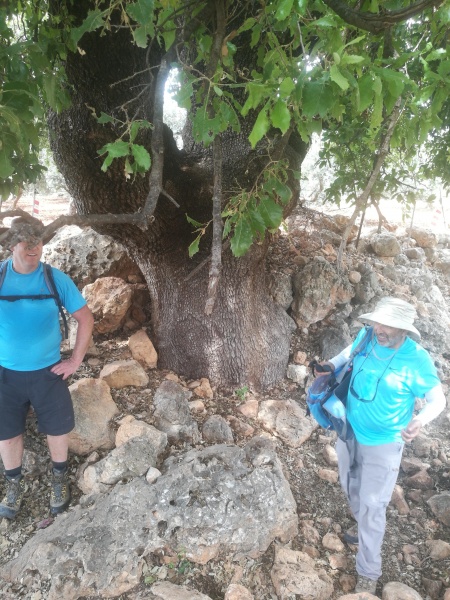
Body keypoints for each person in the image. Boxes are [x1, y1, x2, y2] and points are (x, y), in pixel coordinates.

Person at [320, 297, 446, 594]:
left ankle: (368, 570)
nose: (379, 329)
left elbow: (438, 400)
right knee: (348, 483)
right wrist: (329, 365)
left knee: (374, 504)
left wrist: (419, 421)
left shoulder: (417, 359)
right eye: (377, 321)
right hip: (348, 428)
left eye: (387, 325)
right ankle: (358, 523)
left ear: (404, 329)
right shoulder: (367, 336)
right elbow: (348, 353)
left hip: (384, 443)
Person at [0, 216, 94, 519]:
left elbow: (85, 318)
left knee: (57, 429)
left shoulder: (55, 278)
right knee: (7, 433)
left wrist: (75, 360)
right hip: (5, 374)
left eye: (38, 240)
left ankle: (58, 479)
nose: (34, 247)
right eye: (27, 241)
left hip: (48, 371)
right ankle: (13, 486)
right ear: (13, 243)